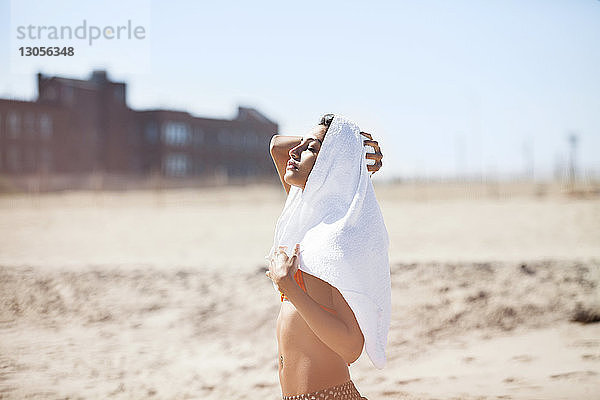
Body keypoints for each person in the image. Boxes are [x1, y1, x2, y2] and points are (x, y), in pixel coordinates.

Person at [266, 113, 388, 400]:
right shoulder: (305, 215)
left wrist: (289, 287)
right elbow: (277, 147)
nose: (294, 154)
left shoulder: (339, 238)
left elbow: (351, 348)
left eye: (310, 149)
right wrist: (346, 147)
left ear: (332, 165)